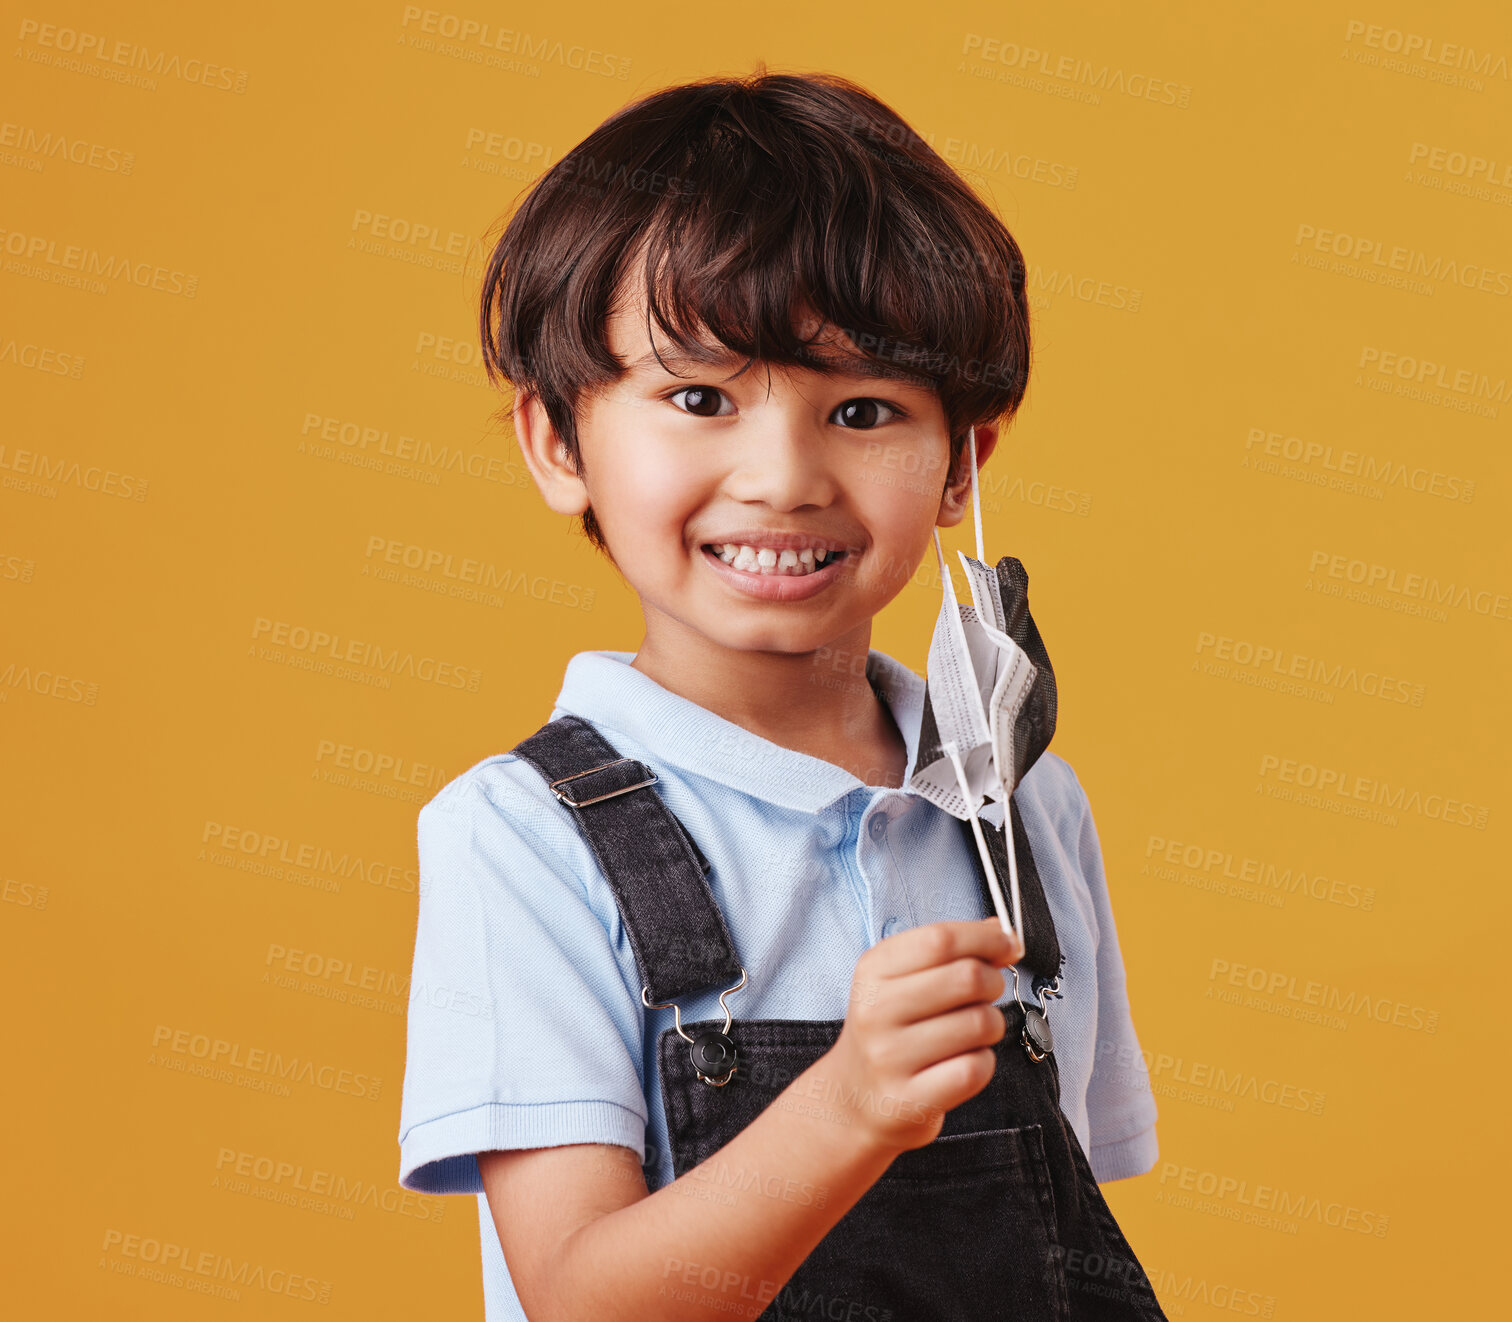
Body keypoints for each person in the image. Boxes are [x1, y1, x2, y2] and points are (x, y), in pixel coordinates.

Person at [397, 67, 1164, 1322]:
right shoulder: (520, 835)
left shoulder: (1025, 809)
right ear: (556, 442)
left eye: (862, 409)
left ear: (964, 461)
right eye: (700, 398)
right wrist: (851, 1103)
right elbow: (586, 1301)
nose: (784, 475)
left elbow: (1064, 1231)